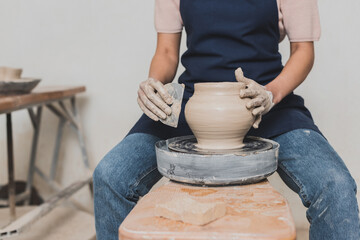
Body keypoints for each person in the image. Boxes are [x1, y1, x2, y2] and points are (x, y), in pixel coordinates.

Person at [93, 0, 360, 239]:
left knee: (335, 185)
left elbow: (303, 51)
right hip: (194, 103)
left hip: (267, 100)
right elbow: (166, 52)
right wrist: (154, 84)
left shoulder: (269, 96)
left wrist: (270, 93)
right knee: (110, 177)